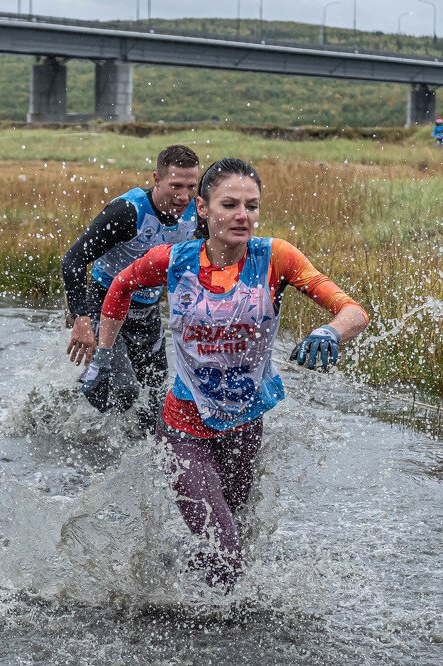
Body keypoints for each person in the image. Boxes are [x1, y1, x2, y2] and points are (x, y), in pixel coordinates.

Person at [89, 157, 369, 592]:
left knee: (230, 534)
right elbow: (120, 286)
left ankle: (176, 589)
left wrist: (330, 332)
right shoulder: (173, 259)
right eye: (230, 204)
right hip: (184, 423)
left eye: (252, 206)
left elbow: (352, 310)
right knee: (226, 553)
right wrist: (104, 355)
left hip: (245, 422)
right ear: (202, 209)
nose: (243, 216)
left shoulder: (275, 257)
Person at [63, 144, 200, 423]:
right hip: (104, 303)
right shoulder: (127, 212)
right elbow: (72, 260)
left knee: (156, 396)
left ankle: (143, 454)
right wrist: (81, 318)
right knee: (123, 390)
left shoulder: (197, 213)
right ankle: (72, 421)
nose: (183, 196)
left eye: (190, 187)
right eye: (175, 186)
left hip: (146, 310)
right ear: (157, 179)